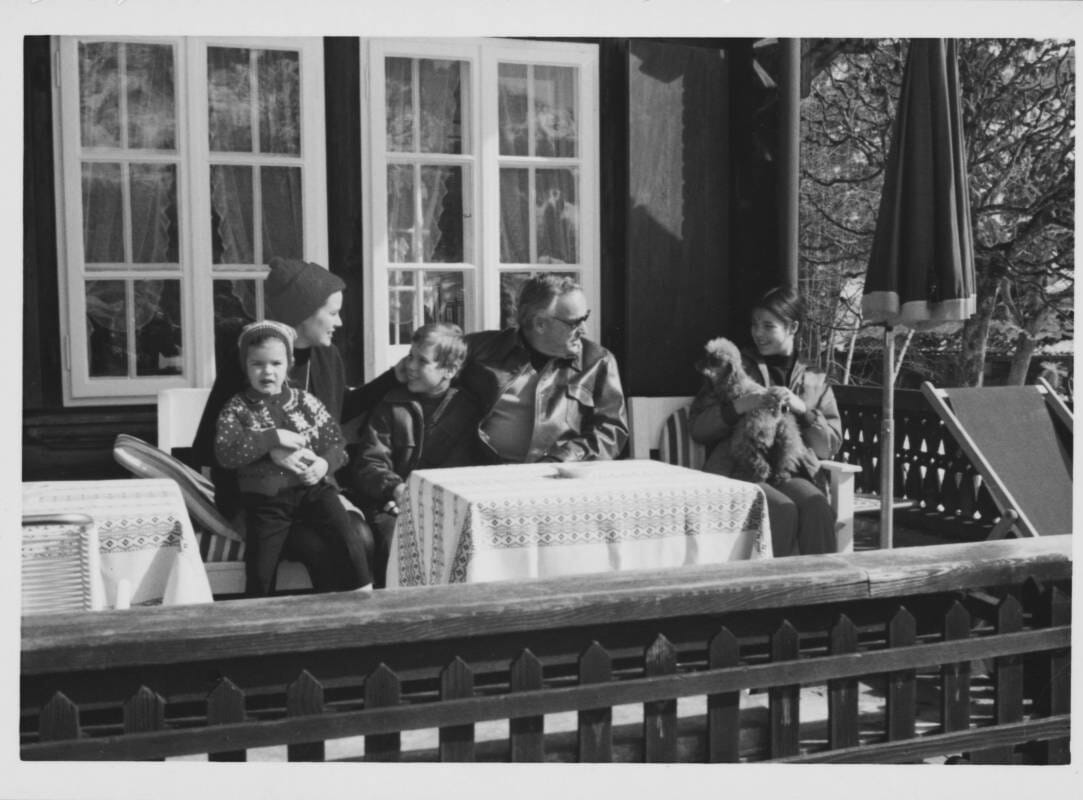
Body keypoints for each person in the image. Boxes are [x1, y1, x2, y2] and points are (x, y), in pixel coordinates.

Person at [192, 256, 401, 593]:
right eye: (332, 313)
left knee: (361, 537)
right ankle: (308, 637)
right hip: (258, 497)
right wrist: (268, 450)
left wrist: (394, 377)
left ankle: (347, 632)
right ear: (303, 312)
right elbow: (210, 446)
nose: (340, 322)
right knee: (320, 550)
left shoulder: (327, 356)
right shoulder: (254, 361)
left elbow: (336, 414)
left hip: (311, 487)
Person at [214, 321, 370, 595]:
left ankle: (363, 596)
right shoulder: (237, 408)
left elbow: (336, 444)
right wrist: (272, 438)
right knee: (261, 567)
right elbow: (226, 453)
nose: (267, 371)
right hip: (267, 501)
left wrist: (324, 465)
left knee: (347, 534)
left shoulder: (305, 402)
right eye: (257, 364)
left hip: (312, 489)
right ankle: (260, 618)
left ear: (289, 363)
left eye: (276, 363)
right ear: (245, 366)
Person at [689, 286, 842, 556]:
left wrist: (802, 409)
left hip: (791, 471)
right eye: (754, 325)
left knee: (817, 506)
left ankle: (825, 595)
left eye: (768, 326)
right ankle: (774, 594)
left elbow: (827, 447)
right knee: (782, 509)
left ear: (792, 327)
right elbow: (699, 428)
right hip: (738, 471)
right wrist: (740, 406)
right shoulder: (734, 367)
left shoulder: (815, 379)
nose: (758, 333)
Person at [346, 322, 482, 587]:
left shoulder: (465, 410)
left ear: (449, 370)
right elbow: (370, 461)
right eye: (410, 356)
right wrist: (395, 489)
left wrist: (421, 500)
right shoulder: (391, 403)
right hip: (386, 503)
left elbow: (461, 468)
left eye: (422, 361)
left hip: (440, 506)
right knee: (392, 537)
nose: (410, 366)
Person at [458, 273, 628, 464]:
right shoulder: (479, 349)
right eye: (574, 322)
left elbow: (610, 429)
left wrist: (563, 458)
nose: (584, 329)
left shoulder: (597, 361)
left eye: (585, 317)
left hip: (559, 478)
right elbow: (430, 366)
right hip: (482, 474)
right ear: (540, 324)